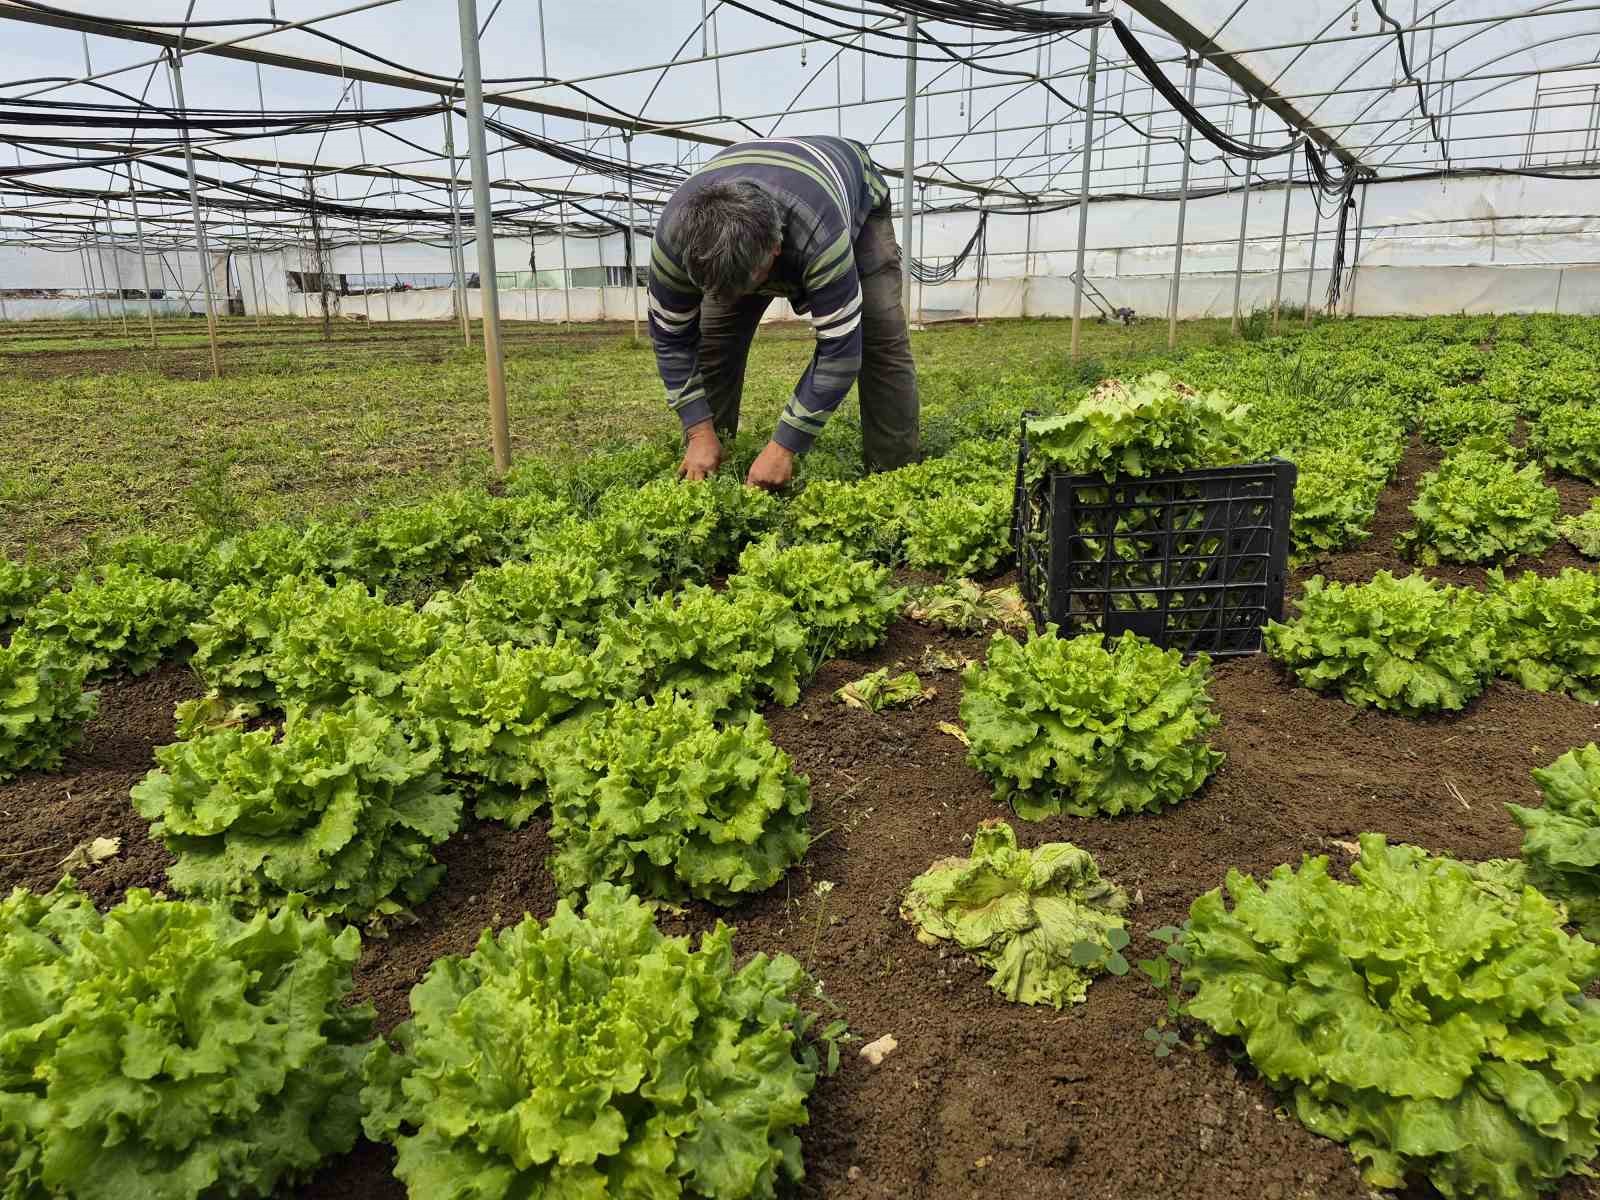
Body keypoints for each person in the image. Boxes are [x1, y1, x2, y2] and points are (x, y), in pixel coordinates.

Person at [646, 135, 919, 490]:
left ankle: (894, 478)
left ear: (776, 248)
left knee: (879, 335)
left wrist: (784, 446)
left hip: (850, 198)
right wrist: (698, 429)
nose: (744, 296)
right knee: (715, 343)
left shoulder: (819, 231)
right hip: (759, 200)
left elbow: (840, 349)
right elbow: (671, 340)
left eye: (750, 282)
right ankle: (711, 459)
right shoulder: (673, 241)